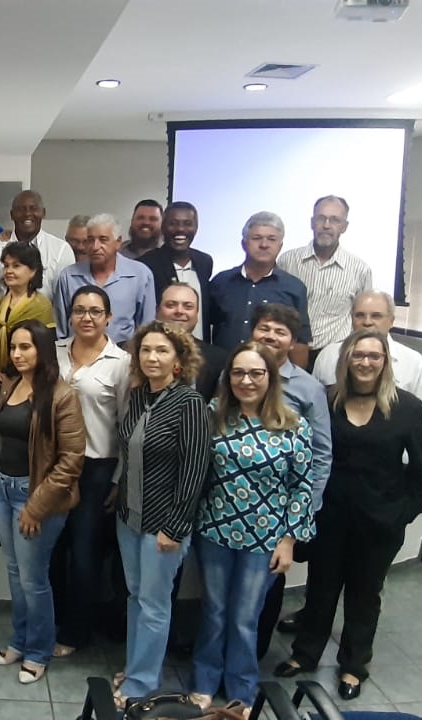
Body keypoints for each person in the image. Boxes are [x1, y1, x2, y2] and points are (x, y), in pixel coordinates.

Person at [275, 330, 422, 701]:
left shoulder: (407, 408)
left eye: (374, 356)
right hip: (329, 518)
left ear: (385, 362)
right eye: (358, 355)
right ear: (346, 359)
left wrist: (400, 516)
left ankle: (353, 665)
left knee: (364, 595)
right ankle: (305, 655)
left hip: (379, 523)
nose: (365, 362)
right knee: (321, 588)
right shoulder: (326, 401)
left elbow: (420, 476)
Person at [188, 342, 314, 710]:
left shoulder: (293, 425)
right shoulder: (214, 415)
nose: (246, 380)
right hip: (214, 531)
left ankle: (241, 689)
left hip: (265, 539)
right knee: (213, 611)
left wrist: (289, 539)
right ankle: (205, 678)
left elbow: (302, 486)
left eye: (255, 373)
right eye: (238, 373)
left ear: (270, 378)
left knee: (245, 618)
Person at [0, 320, 85, 684]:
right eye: (13, 347)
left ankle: (39, 651)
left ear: (43, 349)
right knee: (14, 571)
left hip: (35, 495)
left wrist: (37, 506)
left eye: (26, 347)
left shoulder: (61, 394)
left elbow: (71, 459)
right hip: (0, 487)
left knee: (34, 579)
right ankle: (19, 641)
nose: (18, 354)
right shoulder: (10, 385)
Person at [113, 321, 210, 706]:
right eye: (146, 350)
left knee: (154, 604)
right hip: (129, 517)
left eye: (162, 351)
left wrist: (175, 526)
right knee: (136, 597)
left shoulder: (189, 403)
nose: (152, 357)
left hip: (164, 526)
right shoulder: (139, 397)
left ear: (178, 360)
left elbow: (194, 469)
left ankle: (141, 683)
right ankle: (136, 665)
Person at [247, 303, 332, 657]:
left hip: (278, 509)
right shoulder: (234, 373)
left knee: (264, 590)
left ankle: (251, 659)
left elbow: (321, 455)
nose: (270, 336)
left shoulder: (308, 388)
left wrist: (298, 520)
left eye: (280, 331)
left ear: (293, 341)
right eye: (264, 328)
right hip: (230, 503)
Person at [51, 286, 131, 657]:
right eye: (80, 310)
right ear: (69, 315)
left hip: (96, 468)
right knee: (51, 549)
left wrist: (117, 479)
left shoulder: (122, 363)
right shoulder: (54, 353)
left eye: (95, 311)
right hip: (52, 466)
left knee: (84, 555)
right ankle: (50, 620)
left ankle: (75, 631)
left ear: (108, 317)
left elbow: (127, 427)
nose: (87, 317)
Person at [311, 291, 422, 436]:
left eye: (376, 316)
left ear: (391, 321)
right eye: (360, 315)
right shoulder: (328, 356)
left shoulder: (414, 363)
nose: (367, 322)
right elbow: (314, 410)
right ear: (351, 318)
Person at [277, 196, 373, 368]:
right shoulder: (287, 262)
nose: (327, 225)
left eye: (335, 220)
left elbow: (364, 320)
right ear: (312, 223)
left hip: (335, 360)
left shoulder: (360, 270)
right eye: (321, 218)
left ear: (344, 226)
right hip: (288, 356)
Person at [209, 211, 311, 366]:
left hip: (273, 377)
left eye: (271, 239)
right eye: (256, 238)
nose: (264, 245)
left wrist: (297, 382)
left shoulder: (294, 288)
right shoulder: (221, 282)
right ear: (243, 243)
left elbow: (300, 341)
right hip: (222, 372)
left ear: (280, 246)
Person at [53, 213, 156, 343]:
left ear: (118, 242)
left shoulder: (140, 275)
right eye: (90, 240)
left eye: (103, 240)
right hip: (77, 356)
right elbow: (61, 330)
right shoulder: (68, 276)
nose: (95, 247)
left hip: (124, 357)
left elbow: (146, 327)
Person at [0, 190, 76, 302]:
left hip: (48, 318)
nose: (27, 214)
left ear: (43, 212)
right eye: (21, 209)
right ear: (12, 215)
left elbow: (64, 299)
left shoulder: (61, 249)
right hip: (4, 318)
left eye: (34, 208)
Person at [140, 202, 213, 341]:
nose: (180, 229)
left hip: (199, 350)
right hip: (161, 347)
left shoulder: (204, 262)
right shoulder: (146, 264)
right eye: (173, 223)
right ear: (163, 227)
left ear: (196, 228)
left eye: (187, 223)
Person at [0, 243, 56, 373]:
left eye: (16, 266)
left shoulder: (40, 305)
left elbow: (45, 350)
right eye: (6, 266)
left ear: (33, 271)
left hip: (27, 376)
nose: (9, 271)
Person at [157, 282, 226, 400]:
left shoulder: (219, 359)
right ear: (157, 310)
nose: (179, 311)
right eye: (171, 305)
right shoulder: (132, 352)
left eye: (188, 306)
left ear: (197, 314)